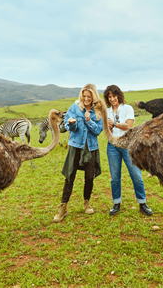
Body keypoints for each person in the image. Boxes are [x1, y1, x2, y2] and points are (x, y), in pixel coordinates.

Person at [53, 84, 104, 223]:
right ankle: (63, 207)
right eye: (84, 96)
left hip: (91, 147)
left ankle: (86, 202)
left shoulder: (98, 111)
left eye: (89, 96)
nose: (86, 99)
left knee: (89, 177)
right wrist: (71, 123)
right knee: (70, 176)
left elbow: (98, 130)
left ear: (94, 96)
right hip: (75, 146)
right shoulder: (74, 108)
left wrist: (88, 121)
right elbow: (69, 126)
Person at [104, 84, 153, 216]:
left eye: (114, 96)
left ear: (118, 96)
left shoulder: (128, 108)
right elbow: (105, 128)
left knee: (136, 175)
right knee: (115, 177)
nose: (112, 99)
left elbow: (129, 126)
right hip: (113, 146)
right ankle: (116, 203)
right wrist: (108, 127)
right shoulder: (106, 111)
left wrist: (113, 123)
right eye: (109, 97)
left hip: (128, 145)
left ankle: (142, 203)